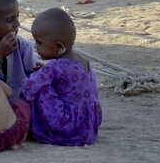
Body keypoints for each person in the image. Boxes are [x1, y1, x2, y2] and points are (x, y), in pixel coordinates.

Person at [22, 8, 102, 146]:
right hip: (88, 126)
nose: (35, 47)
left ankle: (38, 128)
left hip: (68, 128)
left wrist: (31, 77)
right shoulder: (83, 61)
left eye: (39, 43)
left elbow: (30, 86)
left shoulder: (55, 67)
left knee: (37, 86)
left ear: (59, 46)